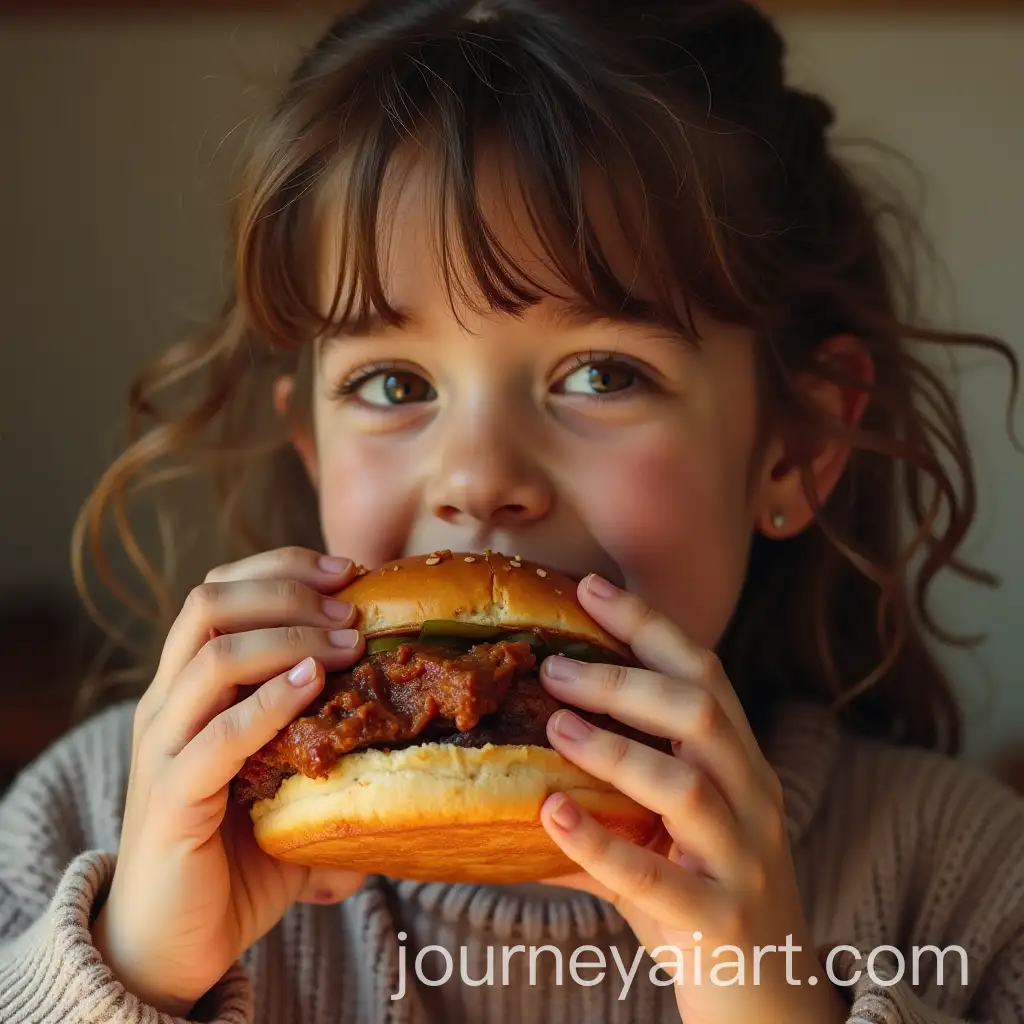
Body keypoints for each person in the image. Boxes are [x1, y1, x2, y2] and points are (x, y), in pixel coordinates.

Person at [1, 1, 1022, 1021]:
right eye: (395, 385)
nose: (479, 476)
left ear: (795, 449)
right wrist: (136, 968)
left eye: (602, 373)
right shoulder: (94, 818)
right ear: (311, 449)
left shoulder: (965, 881)